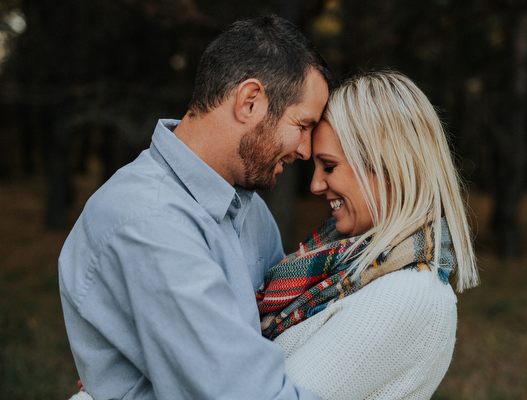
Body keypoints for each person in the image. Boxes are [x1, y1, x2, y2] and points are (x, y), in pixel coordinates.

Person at [59, 15, 331, 400]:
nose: (305, 149)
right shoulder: (147, 220)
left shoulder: (251, 212)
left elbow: (282, 332)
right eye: (302, 125)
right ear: (249, 102)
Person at [255, 70, 480, 399]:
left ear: (388, 168)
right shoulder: (348, 265)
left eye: (329, 166)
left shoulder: (408, 294)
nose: (316, 185)